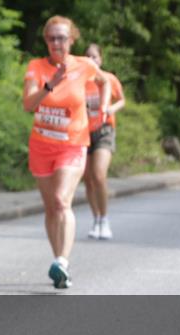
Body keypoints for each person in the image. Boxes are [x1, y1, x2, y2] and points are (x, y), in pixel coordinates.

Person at [22, 16, 109, 289]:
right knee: (50, 208)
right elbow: (28, 104)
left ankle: (62, 261)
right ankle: (58, 259)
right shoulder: (36, 67)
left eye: (62, 38)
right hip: (41, 145)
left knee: (62, 201)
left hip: (73, 144)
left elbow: (105, 82)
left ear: (72, 40)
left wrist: (103, 109)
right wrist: (51, 84)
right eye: (51, 38)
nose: (56, 43)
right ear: (46, 41)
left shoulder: (84, 65)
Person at [83, 43, 126, 240]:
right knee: (88, 179)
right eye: (88, 57)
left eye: (95, 57)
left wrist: (112, 109)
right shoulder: (81, 80)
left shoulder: (109, 79)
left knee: (99, 174)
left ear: (101, 59)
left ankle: (105, 218)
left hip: (104, 129)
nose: (92, 60)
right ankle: (96, 219)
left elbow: (121, 100)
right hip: (83, 131)